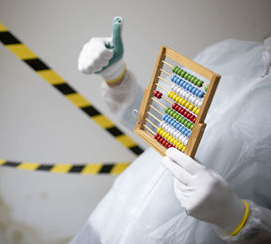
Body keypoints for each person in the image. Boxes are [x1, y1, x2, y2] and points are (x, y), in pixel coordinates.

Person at [71, 17, 271, 243]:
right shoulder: (227, 52)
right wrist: (115, 76)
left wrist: (238, 219)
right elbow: (160, 123)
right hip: (110, 220)